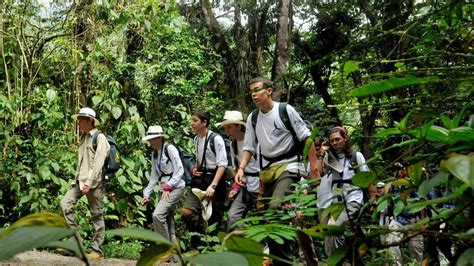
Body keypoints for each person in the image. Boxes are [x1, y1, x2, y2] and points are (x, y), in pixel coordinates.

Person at [235, 77, 314, 264]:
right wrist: (241, 168)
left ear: (269, 90)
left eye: (257, 90)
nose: (253, 94)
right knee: (267, 218)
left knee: (275, 207)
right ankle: (282, 260)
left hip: (290, 165)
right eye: (251, 91)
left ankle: (285, 259)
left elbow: (306, 137)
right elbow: (249, 147)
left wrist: (315, 167)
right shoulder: (253, 118)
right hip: (268, 171)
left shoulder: (285, 110)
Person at [60, 107, 110, 260]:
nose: (78, 122)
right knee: (65, 204)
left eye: (81, 119)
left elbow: (98, 163)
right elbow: (82, 162)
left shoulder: (99, 138)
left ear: (90, 121)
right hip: (80, 181)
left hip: (94, 183)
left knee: (96, 215)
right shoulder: (84, 137)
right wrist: (78, 179)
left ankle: (97, 250)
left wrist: (88, 182)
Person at [312, 126, 369, 260]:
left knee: (334, 230)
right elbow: (318, 174)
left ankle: (335, 261)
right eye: (332, 141)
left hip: (353, 199)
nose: (335, 143)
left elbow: (367, 177)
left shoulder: (356, 156)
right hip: (336, 203)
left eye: (338, 139)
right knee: (336, 236)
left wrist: (373, 199)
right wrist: (321, 154)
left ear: (345, 138)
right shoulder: (329, 158)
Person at [140, 125, 185, 261]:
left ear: (160, 138)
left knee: (157, 215)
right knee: (168, 224)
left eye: (153, 139)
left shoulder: (169, 148)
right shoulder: (155, 153)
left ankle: (165, 250)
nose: (151, 142)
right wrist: (146, 194)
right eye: (150, 139)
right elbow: (154, 176)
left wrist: (169, 186)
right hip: (162, 190)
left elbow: (180, 170)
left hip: (175, 187)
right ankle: (176, 259)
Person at [181, 110, 228, 240]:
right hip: (200, 179)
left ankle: (213, 245)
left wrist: (213, 186)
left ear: (204, 122)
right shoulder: (196, 139)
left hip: (214, 180)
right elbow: (199, 160)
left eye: (195, 121)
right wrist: (195, 169)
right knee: (187, 211)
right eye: (191, 120)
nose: (192, 123)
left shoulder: (216, 139)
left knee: (214, 217)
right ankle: (200, 238)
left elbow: (222, 164)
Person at [217, 110, 260, 232]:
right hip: (245, 186)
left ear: (239, 126)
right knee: (233, 217)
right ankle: (238, 247)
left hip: (260, 185)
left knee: (264, 218)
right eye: (225, 128)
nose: (227, 131)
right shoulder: (233, 145)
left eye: (229, 127)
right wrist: (235, 188)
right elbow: (237, 169)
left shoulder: (255, 140)